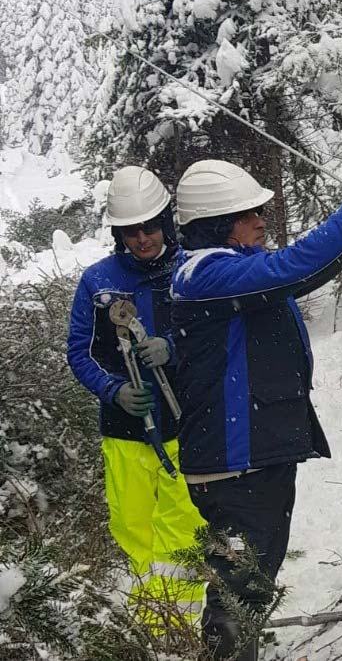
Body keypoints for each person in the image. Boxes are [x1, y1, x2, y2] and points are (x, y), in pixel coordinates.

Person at [169, 159, 342, 661]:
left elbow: (299, 270)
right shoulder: (204, 273)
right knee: (240, 587)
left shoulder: (227, 270)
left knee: (251, 581)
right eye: (249, 215)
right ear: (217, 225)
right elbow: (292, 269)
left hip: (252, 458)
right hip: (232, 465)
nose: (263, 221)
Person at [67, 166, 207, 627]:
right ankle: (153, 618)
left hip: (184, 423)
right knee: (132, 527)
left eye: (149, 227)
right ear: (118, 233)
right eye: (131, 231)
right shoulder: (97, 281)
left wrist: (175, 343)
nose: (142, 238)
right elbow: (79, 352)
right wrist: (113, 390)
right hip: (125, 431)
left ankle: (178, 626)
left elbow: (217, 335)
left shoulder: (194, 268)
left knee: (183, 525)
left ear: (165, 223)